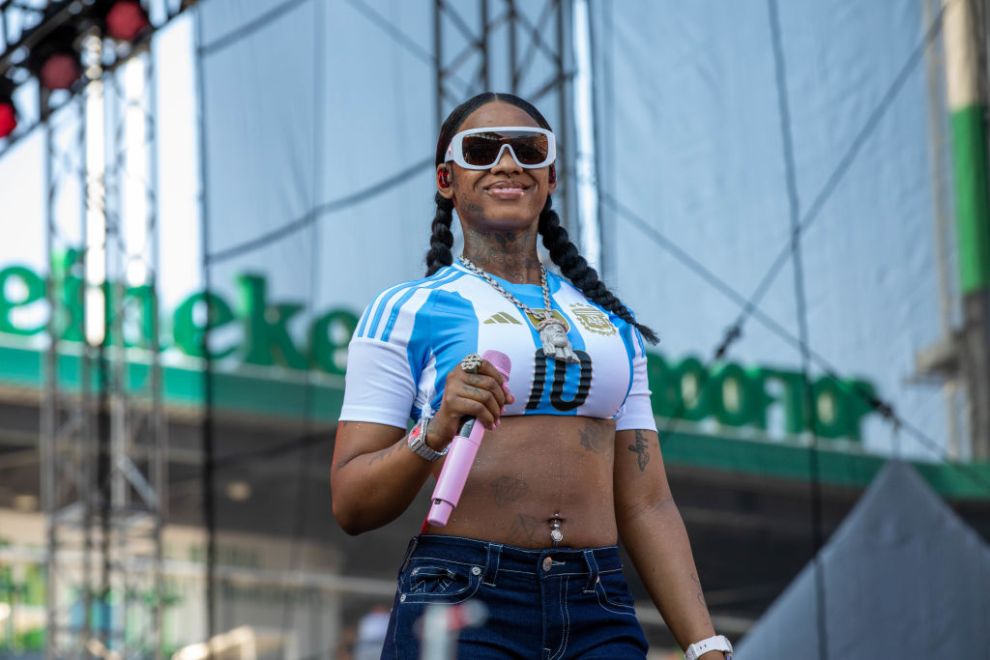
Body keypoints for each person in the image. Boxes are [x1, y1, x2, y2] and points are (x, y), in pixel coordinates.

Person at [330, 92, 731, 660]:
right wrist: (434, 430)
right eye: (483, 149)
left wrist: (705, 644)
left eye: (528, 149)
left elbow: (647, 504)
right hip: (463, 595)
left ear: (551, 177)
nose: (508, 162)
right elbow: (351, 504)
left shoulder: (611, 325)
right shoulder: (405, 310)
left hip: (598, 603)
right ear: (447, 179)